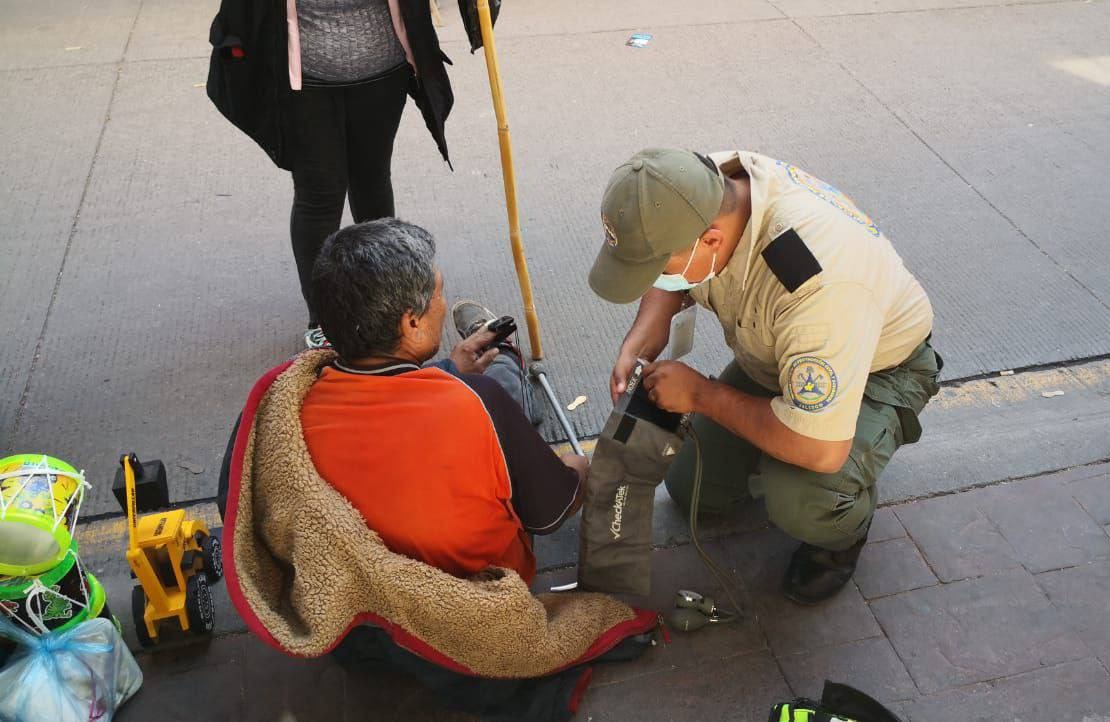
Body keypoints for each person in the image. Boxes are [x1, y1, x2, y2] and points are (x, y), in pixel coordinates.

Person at [588, 149, 943, 604]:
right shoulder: (696, 186)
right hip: (778, 354)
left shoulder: (818, 287)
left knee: (802, 496)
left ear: (711, 241)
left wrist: (702, 394)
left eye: (656, 268)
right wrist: (643, 335)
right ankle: (769, 449)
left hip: (878, 369)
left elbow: (819, 448)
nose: (652, 279)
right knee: (691, 487)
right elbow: (666, 267)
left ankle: (842, 530)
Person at [218, 218, 583, 584]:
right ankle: (507, 357)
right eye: (438, 293)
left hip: (357, 614)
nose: (443, 304)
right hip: (476, 607)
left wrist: (448, 370)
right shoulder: (479, 402)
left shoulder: (282, 411)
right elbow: (549, 514)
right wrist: (580, 470)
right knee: (503, 382)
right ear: (411, 324)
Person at [206, 1, 466, 349]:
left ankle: (384, 302)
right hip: (303, 80)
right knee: (319, 192)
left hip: (383, 71)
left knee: (371, 179)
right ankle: (325, 319)